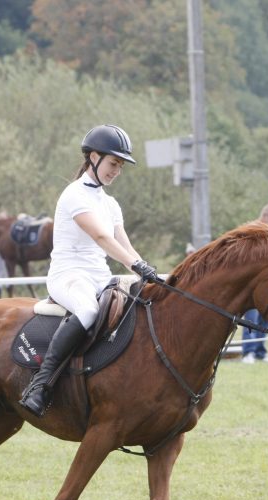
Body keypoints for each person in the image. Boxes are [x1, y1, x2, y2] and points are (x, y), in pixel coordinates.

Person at [18, 124, 158, 416]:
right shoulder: (74, 195)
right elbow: (102, 238)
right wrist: (136, 265)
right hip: (69, 276)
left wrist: (146, 270)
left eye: (120, 166)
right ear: (93, 157)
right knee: (88, 312)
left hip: (100, 277)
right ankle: (40, 385)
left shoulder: (110, 203)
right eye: (112, 163)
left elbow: (125, 246)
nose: (116, 171)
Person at [241, 203, 268, 364]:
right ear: (265, 216)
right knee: (251, 320)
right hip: (251, 285)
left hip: (266, 285)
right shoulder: (250, 231)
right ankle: (248, 352)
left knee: (264, 319)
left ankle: (260, 351)